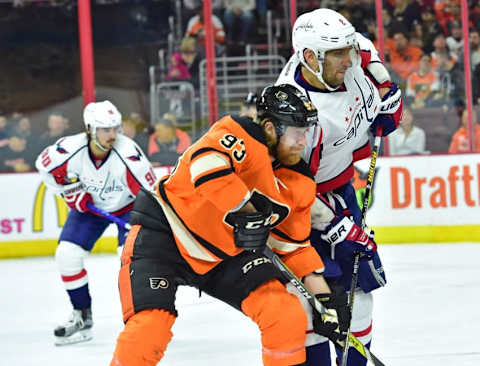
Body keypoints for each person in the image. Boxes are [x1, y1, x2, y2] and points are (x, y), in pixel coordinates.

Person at [110, 84, 353, 366]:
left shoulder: (300, 183)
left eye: (306, 132)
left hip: (225, 255)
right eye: (297, 132)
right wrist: (246, 211)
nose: (303, 141)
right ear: (271, 128)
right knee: (149, 329)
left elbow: (294, 247)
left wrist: (325, 301)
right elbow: (205, 168)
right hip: (165, 234)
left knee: (284, 314)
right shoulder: (237, 132)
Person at [276, 8, 403, 366]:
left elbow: (365, 50)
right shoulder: (294, 112)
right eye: (338, 55)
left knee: (359, 299)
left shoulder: (346, 52)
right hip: (304, 210)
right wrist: (333, 225)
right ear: (310, 58)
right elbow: (288, 184)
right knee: (311, 308)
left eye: (347, 52)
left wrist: (385, 88)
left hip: (341, 189)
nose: (348, 60)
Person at [35, 100, 157, 346]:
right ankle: (82, 316)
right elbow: (44, 168)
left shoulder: (129, 155)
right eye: (105, 129)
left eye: (115, 128)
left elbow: (152, 194)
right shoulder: (69, 149)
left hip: (129, 209)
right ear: (90, 129)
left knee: (129, 259)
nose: (112, 135)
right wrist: (70, 190)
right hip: (89, 209)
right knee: (66, 255)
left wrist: (152, 225)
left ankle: (140, 321)